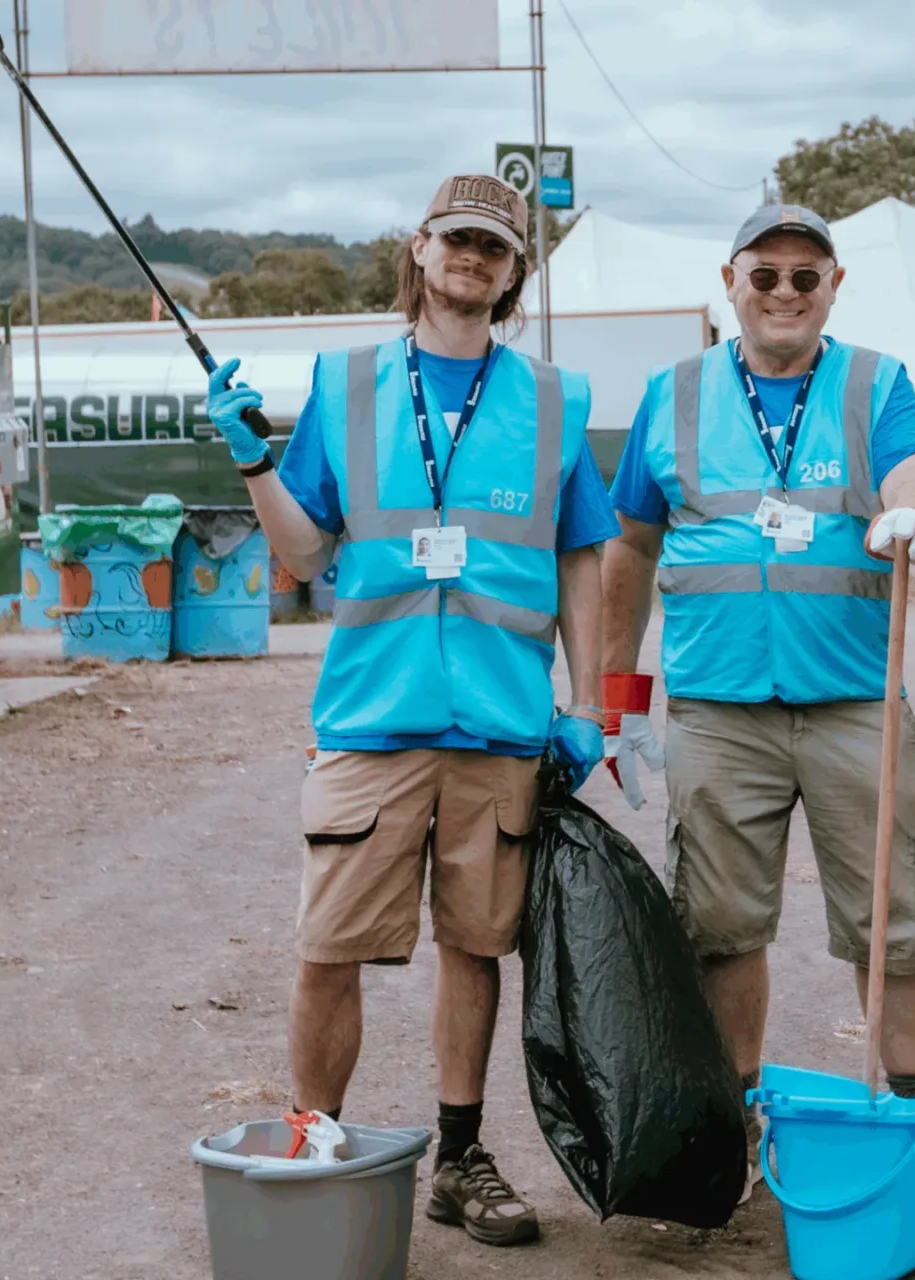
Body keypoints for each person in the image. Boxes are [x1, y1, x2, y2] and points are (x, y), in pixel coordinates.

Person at [207, 175, 616, 1249]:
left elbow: (582, 555)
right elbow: (303, 553)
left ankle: (460, 1155)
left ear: (513, 270)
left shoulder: (553, 400)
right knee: (326, 946)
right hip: (370, 720)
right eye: (457, 240)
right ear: (419, 250)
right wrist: (251, 457)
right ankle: (315, 1142)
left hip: (501, 723)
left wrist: (591, 704)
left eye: (495, 247)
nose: (474, 259)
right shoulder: (345, 385)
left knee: (474, 947)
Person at [599, 204, 915, 1215]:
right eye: (763, 274)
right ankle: (733, 1123)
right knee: (721, 928)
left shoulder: (872, 382)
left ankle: (914, 1122)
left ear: (833, 286)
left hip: (857, 702)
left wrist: (911, 505)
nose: (781, 292)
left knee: (891, 926)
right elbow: (629, 546)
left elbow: (910, 465)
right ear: (728, 281)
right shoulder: (671, 395)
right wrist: (616, 698)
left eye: (803, 277)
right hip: (720, 713)